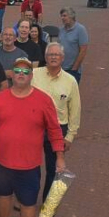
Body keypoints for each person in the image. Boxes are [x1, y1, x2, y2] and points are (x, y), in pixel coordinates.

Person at [0, 57, 66, 217]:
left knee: (28, 203)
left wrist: (60, 157)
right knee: (3, 195)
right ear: (12, 75)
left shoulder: (43, 100)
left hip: (29, 165)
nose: (21, 74)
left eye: (26, 71)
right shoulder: (0, 98)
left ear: (31, 75)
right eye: (17, 70)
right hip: (2, 162)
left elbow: (55, 131)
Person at [32, 43, 81, 201]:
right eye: (50, 55)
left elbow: (75, 110)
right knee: (31, 165)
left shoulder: (70, 81)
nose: (53, 57)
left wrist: (70, 136)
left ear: (63, 58)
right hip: (34, 126)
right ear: (45, 58)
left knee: (54, 169)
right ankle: (27, 198)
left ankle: (48, 202)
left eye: (57, 55)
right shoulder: (33, 74)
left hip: (58, 129)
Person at [58, 7, 88, 83]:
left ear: (72, 16)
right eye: (61, 16)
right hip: (60, 69)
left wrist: (75, 68)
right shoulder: (61, 30)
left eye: (65, 16)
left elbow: (83, 50)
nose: (62, 18)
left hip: (72, 70)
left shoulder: (80, 29)